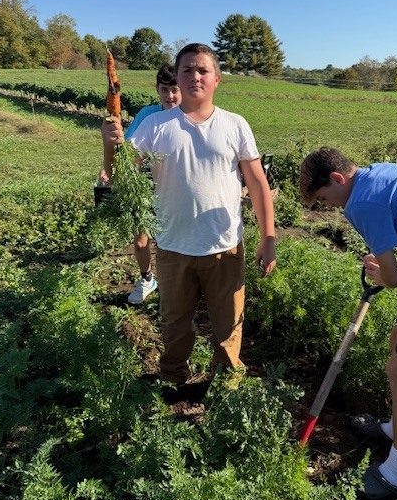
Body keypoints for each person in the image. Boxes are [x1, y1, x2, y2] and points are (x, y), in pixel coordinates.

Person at [102, 42, 276, 385]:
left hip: (225, 248)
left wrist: (268, 237)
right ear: (176, 80)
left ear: (216, 79)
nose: (194, 76)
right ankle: (173, 380)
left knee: (228, 326)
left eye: (202, 70)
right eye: (187, 70)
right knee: (175, 324)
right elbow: (121, 177)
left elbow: (257, 184)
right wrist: (110, 147)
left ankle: (227, 384)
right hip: (173, 248)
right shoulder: (155, 127)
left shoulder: (235, 125)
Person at [298, 146, 397, 500]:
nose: (329, 208)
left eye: (324, 198)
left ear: (338, 179)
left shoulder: (360, 204)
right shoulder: (375, 174)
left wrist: (381, 274)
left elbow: (393, 278)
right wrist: (383, 268)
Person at [99, 64, 181, 304]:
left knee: (173, 237)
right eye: (164, 90)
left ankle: (177, 283)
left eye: (174, 90)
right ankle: (147, 279)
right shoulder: (148, 115)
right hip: (141, 183)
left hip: (172, 184)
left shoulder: (189, 116)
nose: (170, 96)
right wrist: (108, 164)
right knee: (140, 238)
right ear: (157, 90)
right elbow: (125, 150)